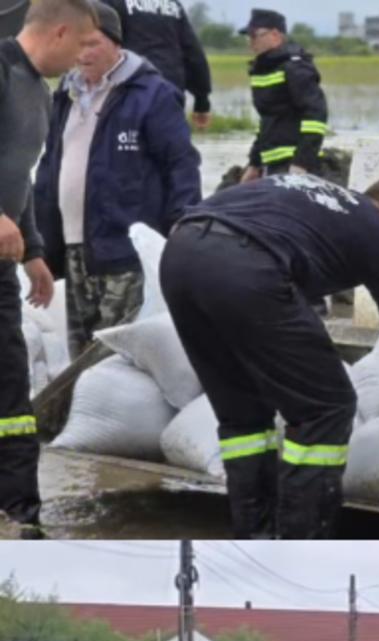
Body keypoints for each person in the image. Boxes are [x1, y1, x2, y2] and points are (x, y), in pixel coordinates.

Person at [159, 172, 379, 538]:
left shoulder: (319, 198)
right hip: (245, 266)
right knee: (327, 407)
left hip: (180, 254)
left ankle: (254, 540)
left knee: (243, 416)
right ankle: (300, 545)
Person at [34, 0, 200, 360]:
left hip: (124, 251)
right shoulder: (64, 95)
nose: (83, 53)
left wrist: (184, 226)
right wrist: (38, 237)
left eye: (92, 43)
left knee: (115, 354)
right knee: (80, 353)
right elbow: (49, 168)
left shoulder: (151, 94)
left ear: (116, 42)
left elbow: (181, 164)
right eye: (77, 43)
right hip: (74, 248)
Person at [0, 0, 100, 537]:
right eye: (82, 44)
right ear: (60, 32)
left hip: (3, 262)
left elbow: (21, 178)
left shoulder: (38, 92)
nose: (84, 56)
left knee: (10, 385)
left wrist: (35, 251)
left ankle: (20, 511)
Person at [237, 9, 325, 182]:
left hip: (295, 164)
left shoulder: (295, 67)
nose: (251, 43)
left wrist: (301, 163)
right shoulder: (265, 69)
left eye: (254, 36)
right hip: (272, 163)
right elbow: (267, 121)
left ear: (275, 35)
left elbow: (316, 116)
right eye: (248, 37)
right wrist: (254, 164)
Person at [102, 0, 210, 131]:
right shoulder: (172, 5)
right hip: (170, 89)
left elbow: (99, 41)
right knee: (170, 141)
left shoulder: (113, 3)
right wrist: (202, 100)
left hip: (130, 89)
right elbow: (192, 51)